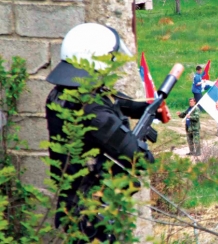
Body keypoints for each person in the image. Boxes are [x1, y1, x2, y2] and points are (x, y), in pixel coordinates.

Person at [45, 23, 158, 243]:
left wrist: (143, 109)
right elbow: (139, 158)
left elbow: (109, 101)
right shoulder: (94, 113)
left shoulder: (61, 94)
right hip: (94, 216)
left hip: (73, 204)